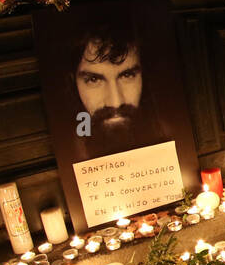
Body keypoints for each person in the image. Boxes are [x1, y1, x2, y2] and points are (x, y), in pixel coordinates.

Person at [63, 18, 168, 163]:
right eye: (94, 80)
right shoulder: (71, 148)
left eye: (127, 75)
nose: (115, 102)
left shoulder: (169, 132)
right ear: (73, 83)